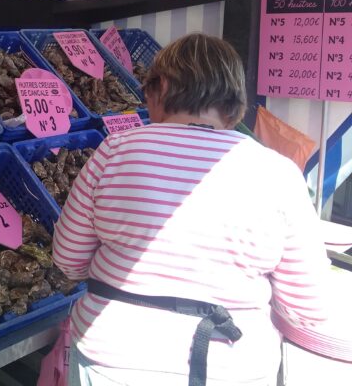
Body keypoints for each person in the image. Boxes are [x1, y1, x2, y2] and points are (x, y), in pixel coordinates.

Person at [52, 33, 330, 386]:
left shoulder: (115, 151)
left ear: (162, 87)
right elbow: (309, 305)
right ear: (234, 102)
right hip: (233, 367)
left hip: (112, 357)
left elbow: (68, 258)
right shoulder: (279, 172)